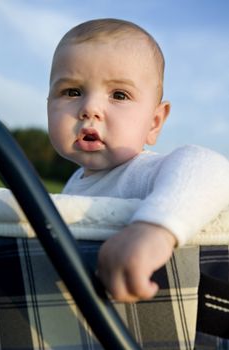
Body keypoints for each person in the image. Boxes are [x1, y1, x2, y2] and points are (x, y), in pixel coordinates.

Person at [47, 18, 229, 302]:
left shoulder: (140, 172)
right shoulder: (74, 183)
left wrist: (155, 228)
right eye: (72, 91)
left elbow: (212, 168)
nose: (90, 108)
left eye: (119, 95)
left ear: (154, 123)